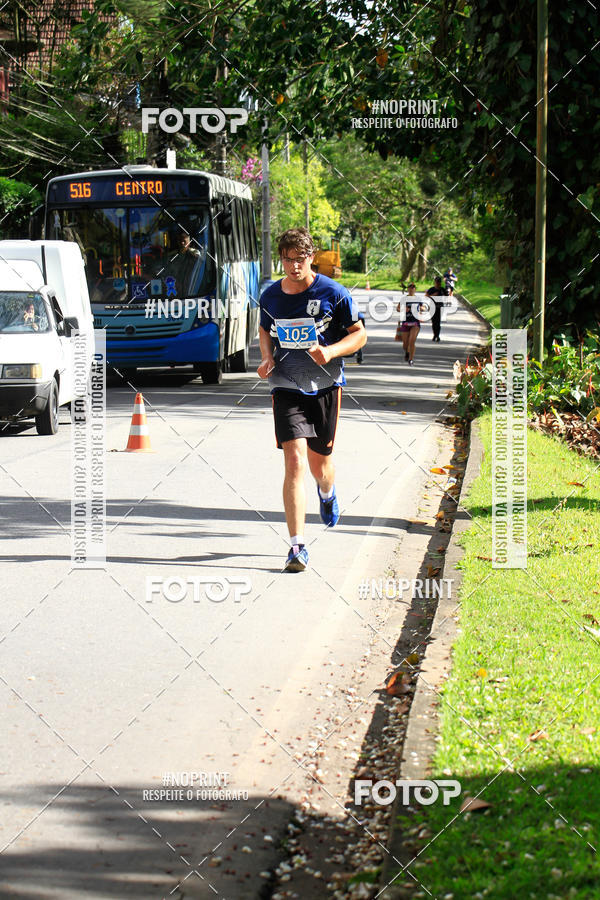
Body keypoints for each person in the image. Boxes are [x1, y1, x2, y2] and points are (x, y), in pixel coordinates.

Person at [258, 227, 367, 572]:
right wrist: (265, 357)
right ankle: (297, 547)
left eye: (300, 259)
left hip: (324, 386)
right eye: (287, 259)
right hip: (285, 386)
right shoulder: (271, 296)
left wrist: (331, 351)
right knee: (294, 463)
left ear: (311, 257)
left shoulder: (334, 293)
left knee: (321, 468)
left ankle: (327, 491)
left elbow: (360, 334)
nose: (293, 266)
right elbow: (264, 328)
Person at [395, 283, 422, 365]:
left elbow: (423, 307)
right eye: (410, 288)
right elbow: (398, 308)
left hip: (415, 323)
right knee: (405, 344)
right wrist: (404, 309)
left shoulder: (418, 299)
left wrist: (420, 309)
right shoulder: (404, 299)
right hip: (405, 323)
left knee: (411, 341)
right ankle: (407, 351)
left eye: (413, 288)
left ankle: (411, 359)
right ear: (408, 289)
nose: (411, 289)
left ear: (415, 290)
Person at [425, 275, 448, 342]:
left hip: (440, 308)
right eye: (437, 282)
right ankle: (435, 334)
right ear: (435, 282)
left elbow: (447, 297)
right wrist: (433, 295)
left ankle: (437, 335)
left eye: (439, 282)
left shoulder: (442, 289)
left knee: (438, 322)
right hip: (432, 307)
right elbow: (426, 296)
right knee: (434, 322)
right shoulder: (432, 289)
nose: (438, 283)